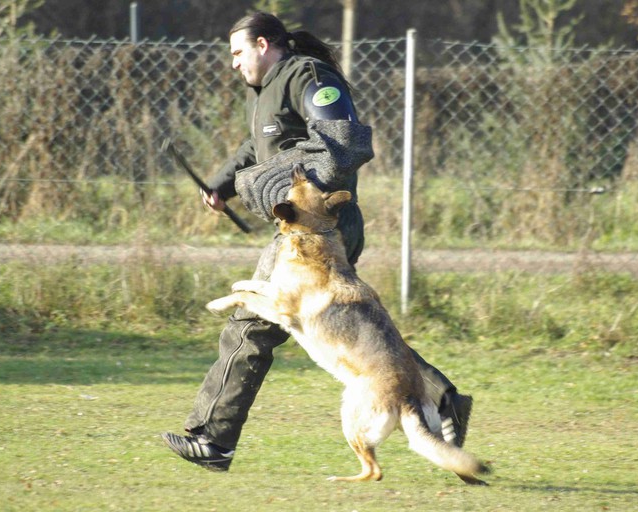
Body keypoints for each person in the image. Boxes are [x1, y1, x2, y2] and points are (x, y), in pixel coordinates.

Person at [162, 12, 473, 472]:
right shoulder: (265, 91)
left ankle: (213, 438)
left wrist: (301, 198)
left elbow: (343, 144)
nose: (234, 63)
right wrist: (222, 185)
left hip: (322, 226)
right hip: (300, 228)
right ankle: (442, 397)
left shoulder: (308, 76)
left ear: (264, 44)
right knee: (359, 332)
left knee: (251, 325)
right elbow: (257, 149)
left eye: (238, 52)